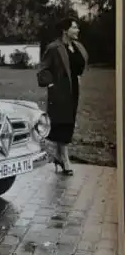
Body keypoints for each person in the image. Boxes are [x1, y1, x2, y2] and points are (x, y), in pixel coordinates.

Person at [37, 17, 88, 176]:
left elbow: (79, 65)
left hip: (73, 90)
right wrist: (51, 84)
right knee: (62, 123)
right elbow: (43, 69)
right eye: (74, 28)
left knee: (67, 122)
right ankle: (65, 159)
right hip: (59, 91)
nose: (77, 30)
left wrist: (78, 76)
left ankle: (59, 156)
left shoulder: (77, 47)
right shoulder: (54, 48)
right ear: (65, 30)